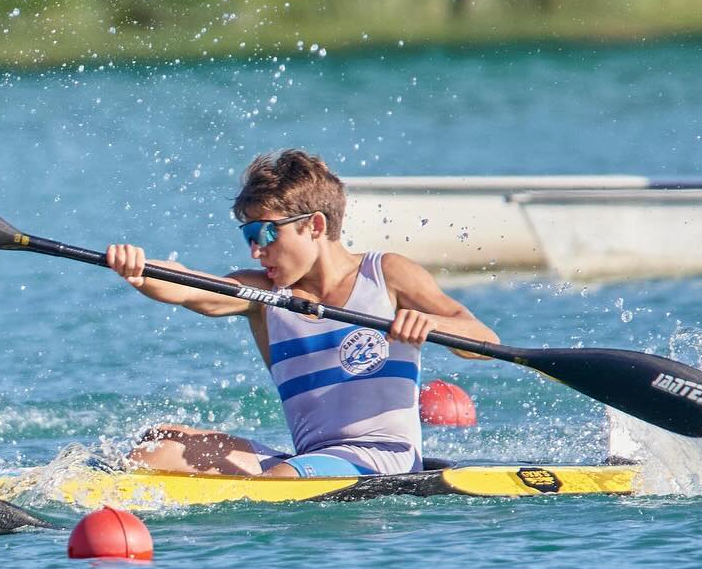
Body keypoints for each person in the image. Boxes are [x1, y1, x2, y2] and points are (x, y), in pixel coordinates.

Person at [104, 149, 498, 478]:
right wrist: (140, 271)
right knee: (157, 446)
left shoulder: (387, 274)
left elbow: (484, 341)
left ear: (314, 225)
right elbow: (191, 287)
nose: (255, 251)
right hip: (312, 462)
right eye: (248, 236)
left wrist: (431, 323)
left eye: (264, 233)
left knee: (279, 481)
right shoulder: (263, 294)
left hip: (382, 460)